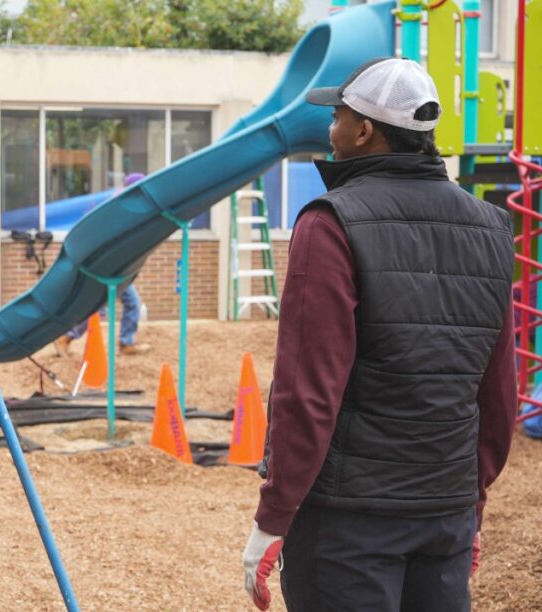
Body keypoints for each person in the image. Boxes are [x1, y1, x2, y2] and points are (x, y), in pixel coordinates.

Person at [240, 57, 516, 611]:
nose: (330, 128)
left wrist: (273, 516)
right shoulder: (491, 225)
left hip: (349, 524)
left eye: (338, 115)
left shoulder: (330, 222)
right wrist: (471, 506)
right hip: (445, 517)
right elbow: (498, 391)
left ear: (365, 131)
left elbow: (309, 389)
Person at [55, 172, 151, 356]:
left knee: (131, 302)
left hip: (118, 267)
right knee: (101, 308)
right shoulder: (121, 208)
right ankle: (65, 337)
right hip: (108, 266)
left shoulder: (127, 207)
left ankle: (126, 342)